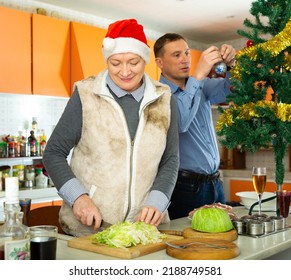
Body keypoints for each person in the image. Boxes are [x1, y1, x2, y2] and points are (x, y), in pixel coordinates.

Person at [43, 19, 179, 237]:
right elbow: (53, 153)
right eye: (115, 63)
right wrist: (78, 197)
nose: (124, 71)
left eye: (133, 62)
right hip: (88, 230)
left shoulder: (164, 98)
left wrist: (158, 200)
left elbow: (170, 158)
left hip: (145, 230)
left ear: (145, 60)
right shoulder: (85, 94)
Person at [154, 33, 236, 219]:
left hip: (215, 183)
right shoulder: (158, 94)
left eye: (187, 53)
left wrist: (232, 65)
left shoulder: (202, 86)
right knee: (191, 244)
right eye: (176, 55)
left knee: (222, 239)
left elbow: (234, 91)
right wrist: (197, 75)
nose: (185, 60)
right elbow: (181, 123)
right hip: (184, 187)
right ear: (159, 63)